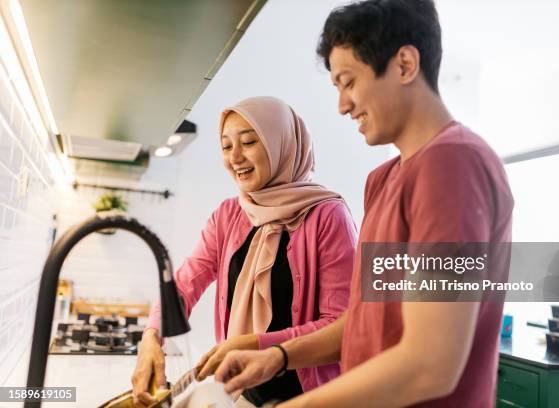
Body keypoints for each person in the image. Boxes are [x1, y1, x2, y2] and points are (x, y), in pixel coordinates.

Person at [214, 1, 514, 407]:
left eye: (348, 81)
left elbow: (432, 364)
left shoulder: (453, 164)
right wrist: (278, 356)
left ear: (405, 64)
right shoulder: (384, 180)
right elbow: (365, 322)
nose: (342, 105)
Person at [131, 96, 357, 407]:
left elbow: (342, 324)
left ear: (282, 144)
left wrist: (255, 344)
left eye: (248, 142)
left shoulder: (329, 216)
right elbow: (183, 284)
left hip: (313, 399)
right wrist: (151, 337)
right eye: (226, 146)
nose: (235, 157)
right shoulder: (228, 215)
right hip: (246, 396)